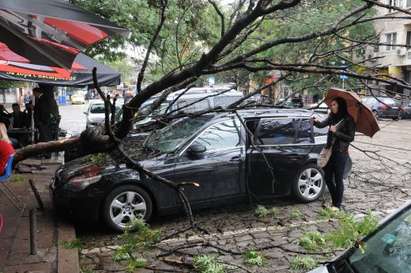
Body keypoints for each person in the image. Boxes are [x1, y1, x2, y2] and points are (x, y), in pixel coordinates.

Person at [312, 97, 355, 210]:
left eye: (334, 105)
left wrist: (337, 132)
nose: (332, 107)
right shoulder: (332, 116)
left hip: (341, 153)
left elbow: (351, 138)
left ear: (340, 105)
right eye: (331, 105)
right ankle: (335, 201)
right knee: (327, 178)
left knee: (338, 178)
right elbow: (322, 124)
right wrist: (315, 122)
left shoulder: (348, 119)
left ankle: (336, 205)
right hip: (329, 150)